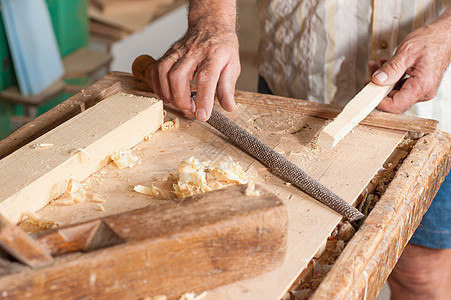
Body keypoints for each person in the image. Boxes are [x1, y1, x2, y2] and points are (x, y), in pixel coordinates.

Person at [150, 1, 451, 299]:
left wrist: (445, 35)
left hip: (429, 100)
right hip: (294, 83)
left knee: (420, 277)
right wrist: (211, 19)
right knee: (286, 264)